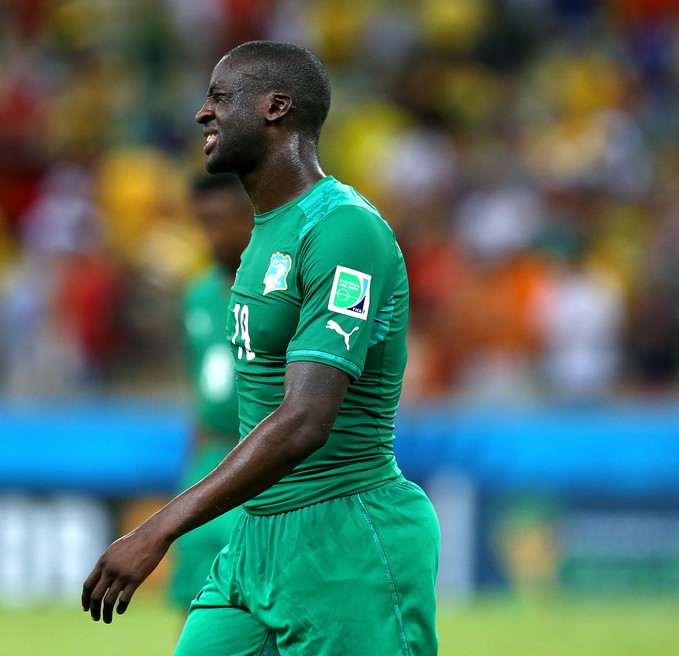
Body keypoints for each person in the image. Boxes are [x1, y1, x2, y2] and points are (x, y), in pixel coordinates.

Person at [83, 40, 440, 655]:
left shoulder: (343, 229)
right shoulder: (261, 239)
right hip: (255, 539)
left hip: (346, 537)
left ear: (276, 108)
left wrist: (157, 529)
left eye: (220, 98)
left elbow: (305, 420)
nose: (203, 113)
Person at [168, 173, 254, 614]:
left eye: (222, 220)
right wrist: (193, 463)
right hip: (208, 459)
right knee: (193, 597)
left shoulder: (277, 289)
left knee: (249, 599)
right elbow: (199, 387)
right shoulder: (197, 295)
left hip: (257, 459)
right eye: (204, 222)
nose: (212, 234)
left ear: (250, 216)